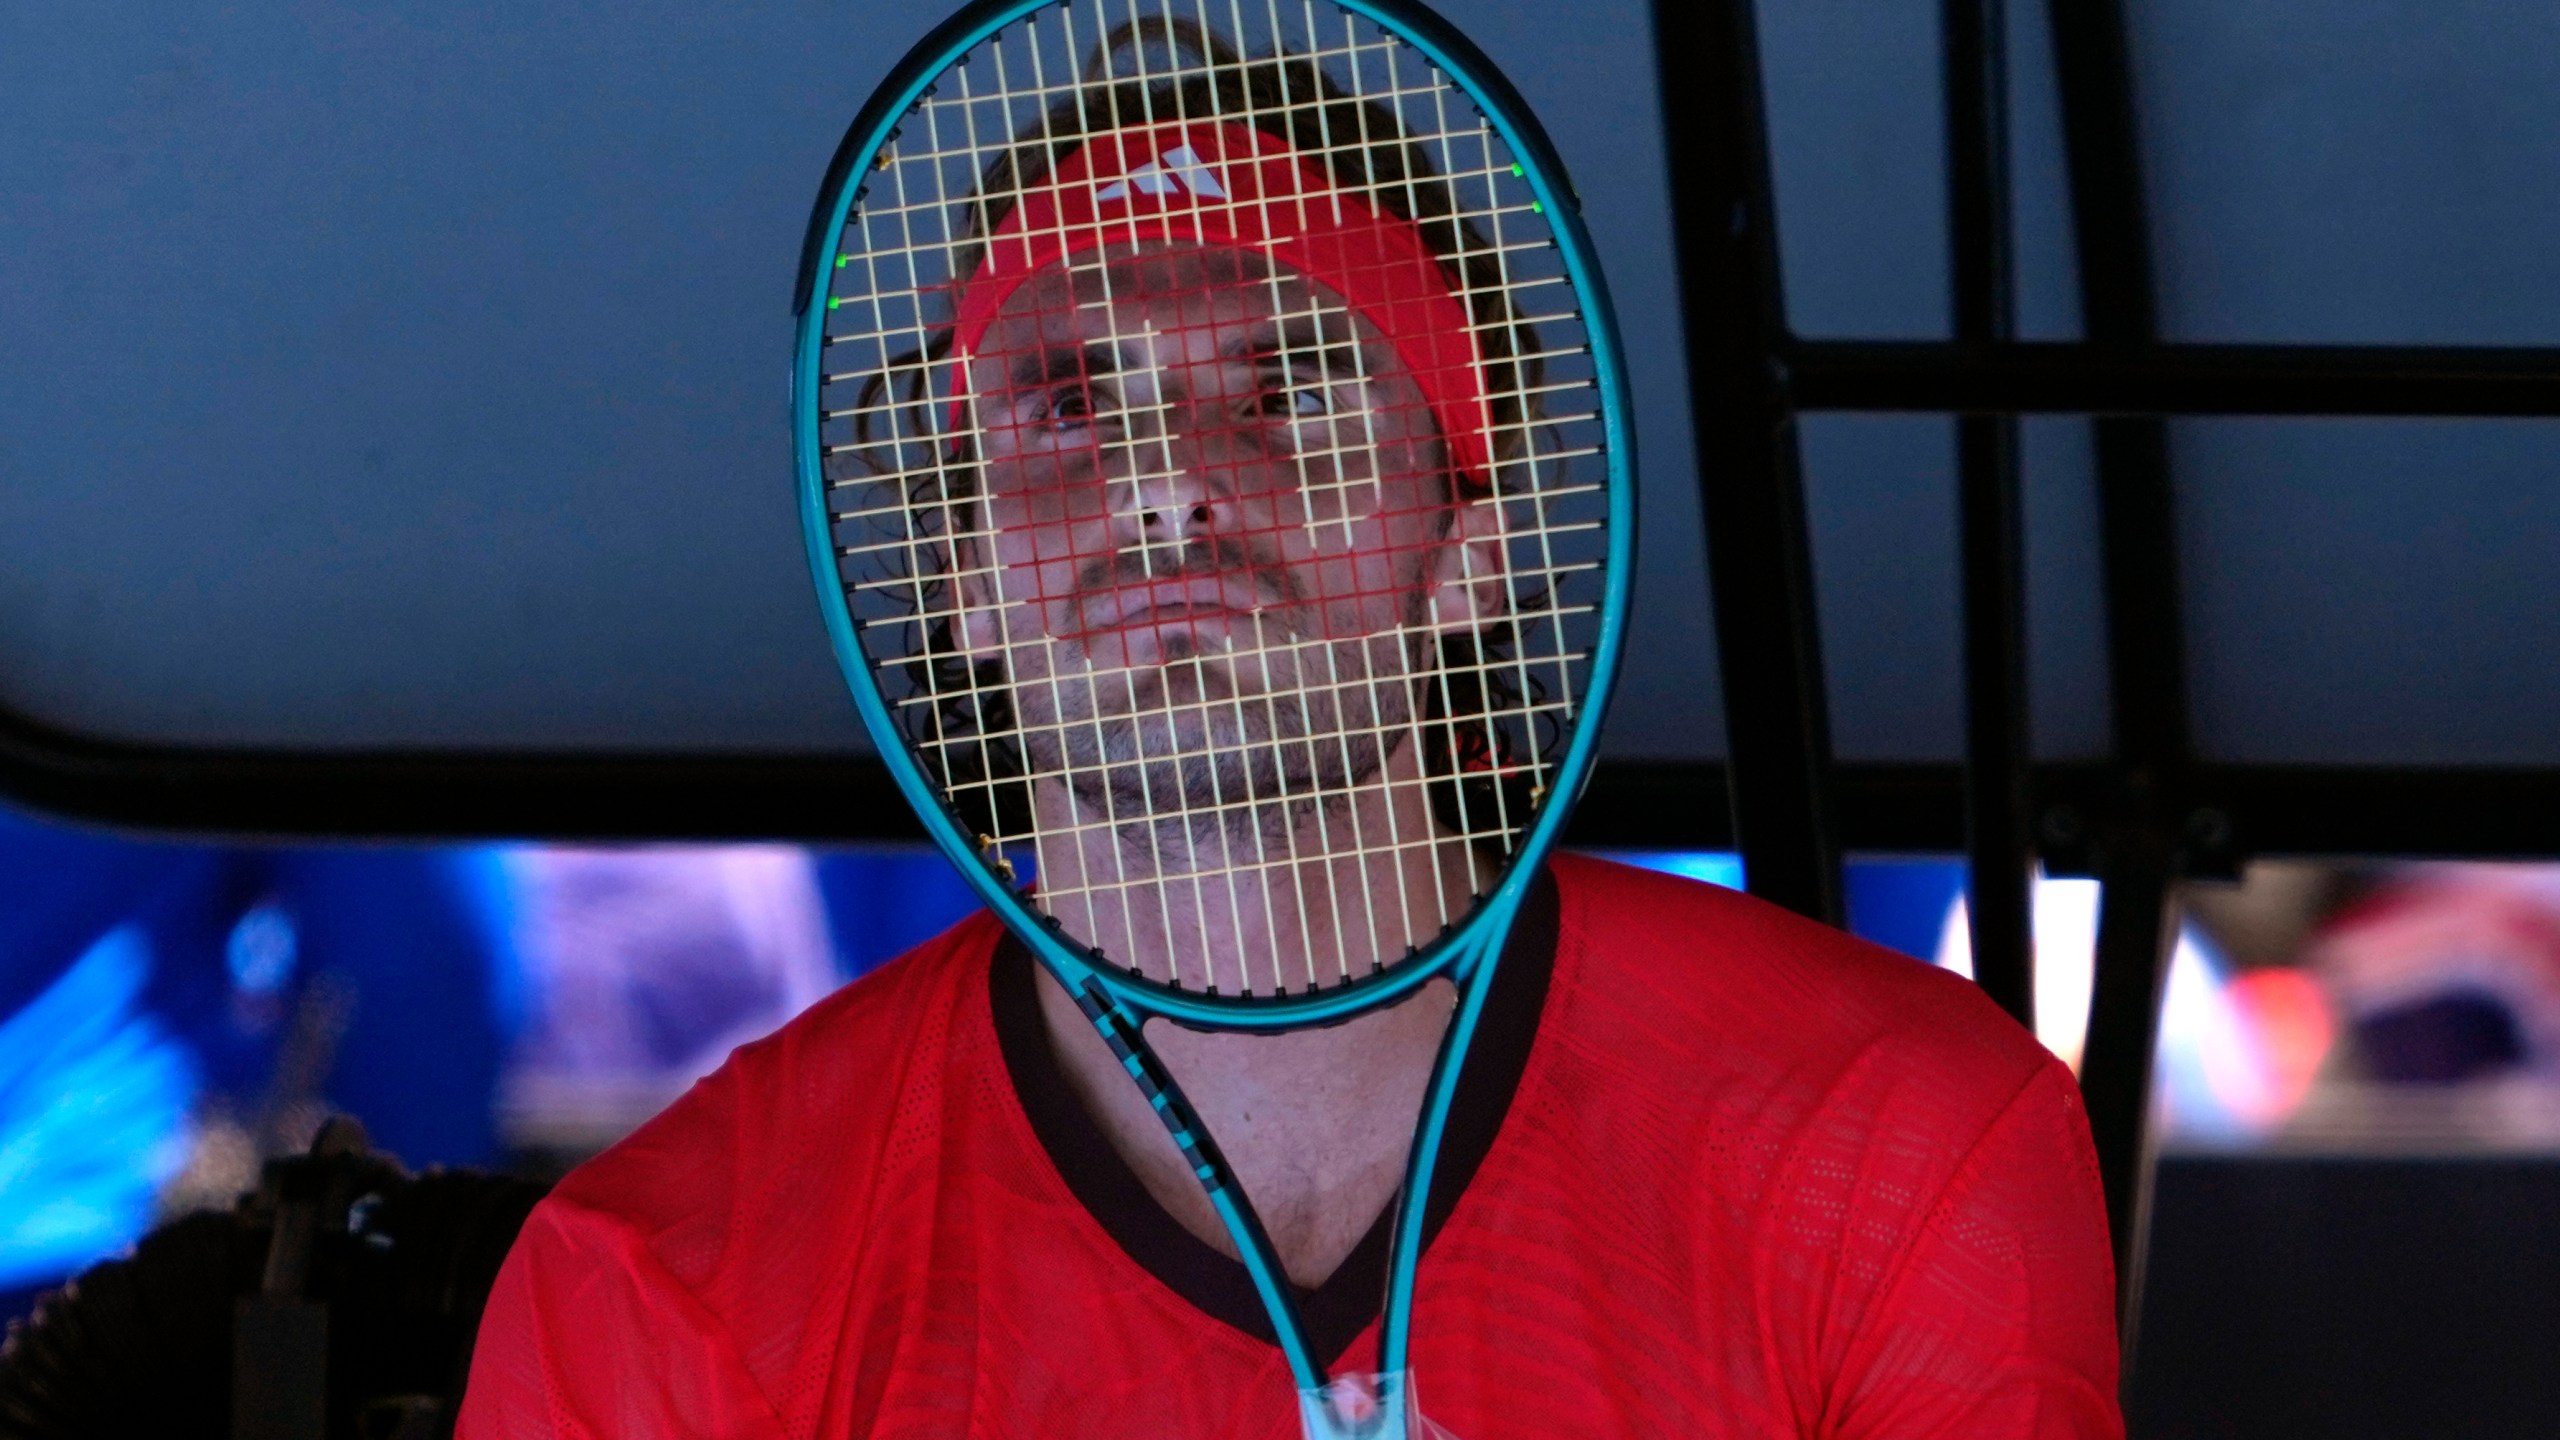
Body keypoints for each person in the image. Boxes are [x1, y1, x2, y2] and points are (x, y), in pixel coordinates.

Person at [459, 30, 2121, 1440]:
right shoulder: (672, 1273)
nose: (1166, 478)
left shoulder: (1894, 1147)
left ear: (1470, 547)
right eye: (1067, 402)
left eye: (1289, 390)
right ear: (957, 570)